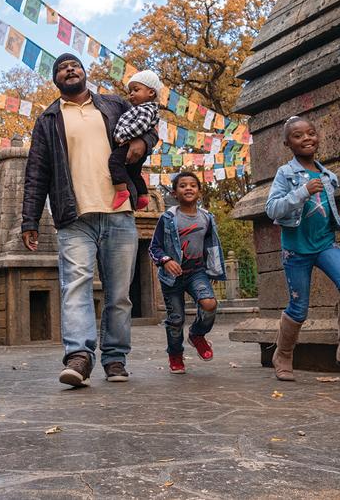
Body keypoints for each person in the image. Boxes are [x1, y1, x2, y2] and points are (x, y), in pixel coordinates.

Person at [22, 53, 158, 387]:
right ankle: (79, 357)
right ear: (55, 80)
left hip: (119, 212)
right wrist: (29, 220)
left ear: (84, 73)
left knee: (119, 294)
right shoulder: (48, 119)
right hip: (74, 217)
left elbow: (151, 127)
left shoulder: (113, 105)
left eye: (74, 65)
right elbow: (36, 173)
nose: (69, 69)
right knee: (75, 289)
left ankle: (115, 359)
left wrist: (142, 142)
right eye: (61, 68)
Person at [265, 115, 340, 381]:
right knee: (299, 308)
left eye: (311, 133)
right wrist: (302, 191)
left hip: (326, 244)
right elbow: (272, 209)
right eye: (298, 135)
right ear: (287, 143)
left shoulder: (327, 176)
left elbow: (327, 212)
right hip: (296, 251)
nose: (306, 138)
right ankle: (283, 355)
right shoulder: (286, 174)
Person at [148, 171, 226, 374]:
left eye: (193, 185)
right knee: (176, 320)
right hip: (172, 277)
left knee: (209, 304)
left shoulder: (206, 218)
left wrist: (213, 270)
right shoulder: (168, 218)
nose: (188, 188)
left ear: (199, 192)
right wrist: (165, 261)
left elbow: (211, 246)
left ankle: (197, 334)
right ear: (174, 193)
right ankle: (175, 354)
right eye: (183, 185)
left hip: (197, 272)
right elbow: (154, 247)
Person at [109, 71, 161, 211]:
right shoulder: (140, 108)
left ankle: (121, 190)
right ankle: (143, 195)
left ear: (151, 92)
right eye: (130, 90)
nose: (131, 94)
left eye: (136, 90)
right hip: (129, 144)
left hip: (127, 144)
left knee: (114, 162)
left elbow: (141, 125)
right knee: (134, 173)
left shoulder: (145, 109)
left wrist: (122, 136)